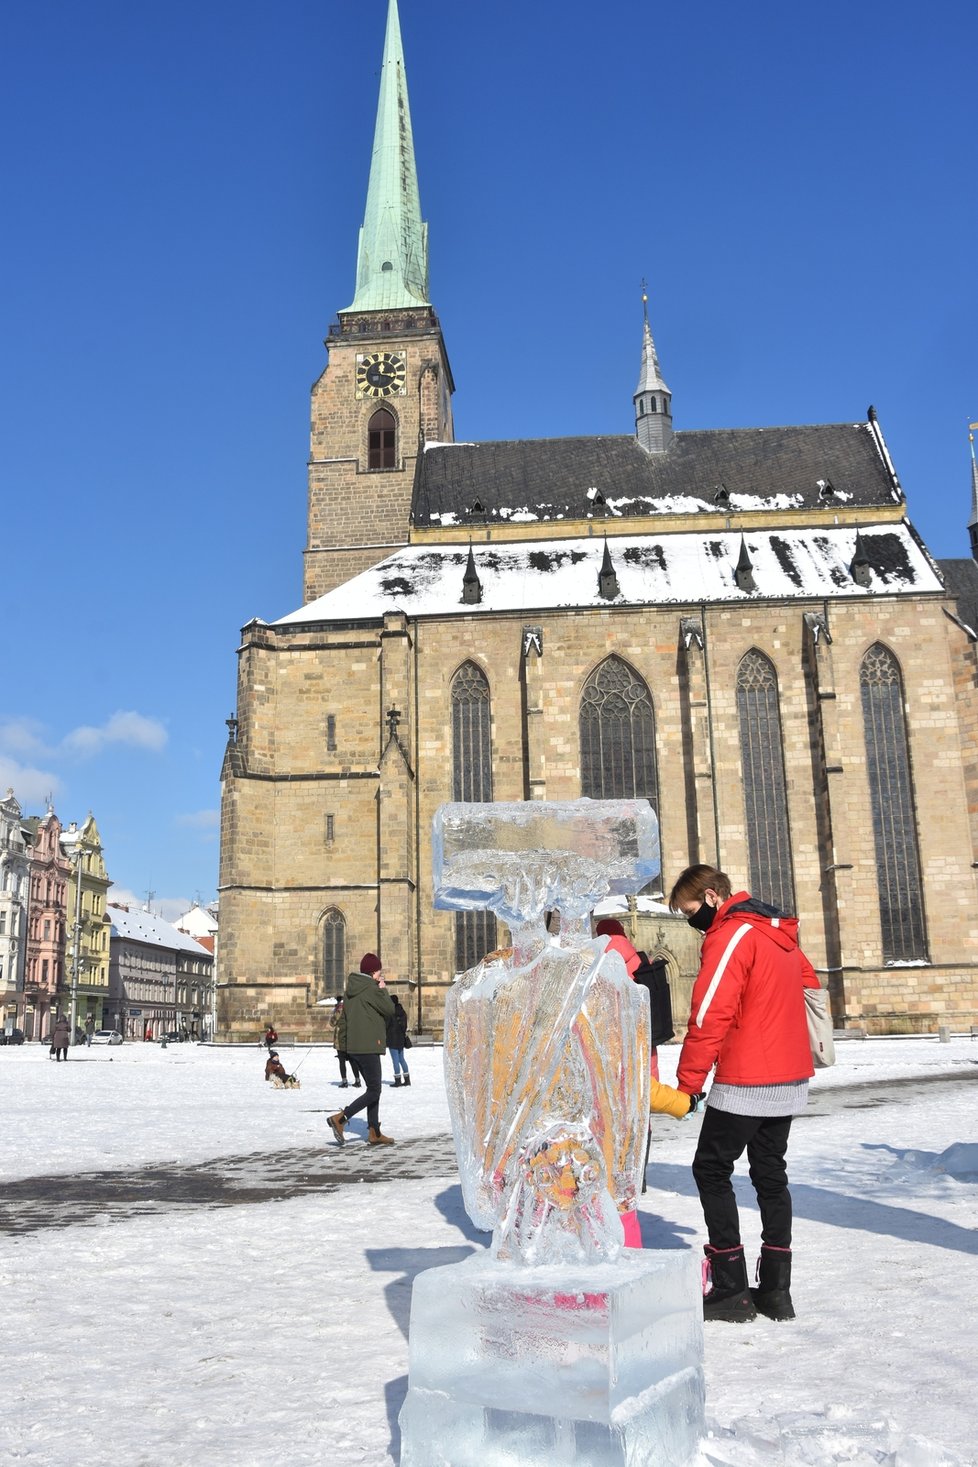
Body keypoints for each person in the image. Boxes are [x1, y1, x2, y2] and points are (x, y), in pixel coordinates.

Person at [651, 864, 819, 1324]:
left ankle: (730, 1288)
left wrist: (687, 1087)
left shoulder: (731, 935)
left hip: (749, 1077)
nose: (689, 922)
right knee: (770, 1173)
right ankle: (777, 1292)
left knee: (710, 1168)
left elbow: (708, 1015)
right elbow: (809, 986)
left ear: (709, 897)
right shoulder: (777, 931)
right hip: (789, 1073)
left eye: (688, 911)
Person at [328, 954, 395, 1147]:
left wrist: (345, 1048)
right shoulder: (373, 989)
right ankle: (341, 1119)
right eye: (379, 972)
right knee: (374, 1090)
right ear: (374, 972)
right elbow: (389, 1010)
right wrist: (383, 990)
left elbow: (344, 1021)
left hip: (354, 1048)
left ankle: (374, 1131)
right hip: (369, 1046)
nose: (381, 975)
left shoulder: (350, 991)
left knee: (373, 1090)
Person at [330, 998, 362, 1088]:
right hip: (351, 1038)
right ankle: (357, 1080)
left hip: (341, 1039)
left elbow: (332, 1023)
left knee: (342, 1061)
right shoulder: (353, 1009)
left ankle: (344, 1081)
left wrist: (334, 1013)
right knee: (353, 1061)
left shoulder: (339, 1010)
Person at [386, 994, 410, 1087]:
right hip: (401, 1039)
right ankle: (407, 1080)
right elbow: (405, 1026)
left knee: (395, 1060)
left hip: (392, 1039)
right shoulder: (403, 1012)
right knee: (402, 1059)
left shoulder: (391, 1013)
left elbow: (386, 1026)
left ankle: (398, 1080)